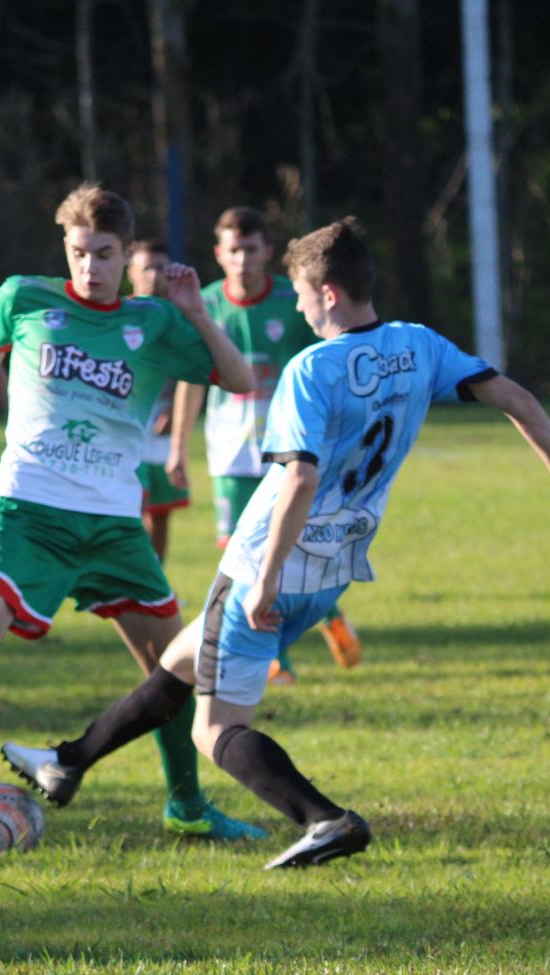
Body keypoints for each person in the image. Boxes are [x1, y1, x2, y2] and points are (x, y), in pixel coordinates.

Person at [3, 217, 550, 868]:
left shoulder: (311, 369)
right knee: (180, 659)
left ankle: (325, 819)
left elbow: (300, 478)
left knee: (214, 728)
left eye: (303, 295)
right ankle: (68, 761)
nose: (301, 308)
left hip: (269, 562)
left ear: (331, 294)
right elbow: (516, 398)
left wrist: (264, 579)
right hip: (336, 566)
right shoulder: (419, 345)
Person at [0, 182, 264, 854]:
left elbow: (238, 379)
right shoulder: (24, 298)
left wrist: (197, 313)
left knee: (172, 665)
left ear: (125, 254)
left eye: (105, 254)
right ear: (66, 246)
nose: (90, 267)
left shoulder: (157, 322)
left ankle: (188, 808)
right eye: (80, 252)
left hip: (114, 525)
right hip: (25, 513)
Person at [171, 207, 361, 682]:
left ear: (266, 252)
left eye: (250, 249)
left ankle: (322, 619)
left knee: (287, 547)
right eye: (232, 250)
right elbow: (193, 380)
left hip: (290, 450)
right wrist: (178, 447)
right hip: (230, 452)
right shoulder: (207, 304)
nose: (242, 259)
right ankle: (282, 654)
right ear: (219, 254)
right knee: (241, 556)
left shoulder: (293, 302)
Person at [126, 240, 189, 560]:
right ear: (131, 272)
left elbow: (193, 372)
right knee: (130, 507)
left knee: (160, 513)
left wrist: (176, 417)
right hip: (126, 428)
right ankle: (131, 577)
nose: (154, 275)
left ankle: (157, 581)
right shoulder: (119, 314)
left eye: (161, 267)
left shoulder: (179, 318)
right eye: (146, 267)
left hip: (163, 430)